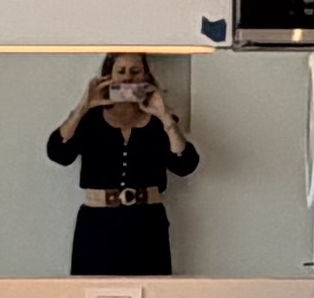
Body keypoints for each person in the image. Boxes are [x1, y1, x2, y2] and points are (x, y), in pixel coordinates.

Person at [44, 52, 199, 275]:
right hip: (97, 223)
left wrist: (164, 115)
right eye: (121, 72)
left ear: (146, 77)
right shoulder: (90, 119)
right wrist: (84, 106)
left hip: (147, 223)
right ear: (109, 76)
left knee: (150, 292)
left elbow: (185, 165)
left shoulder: (158, 122)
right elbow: (58, 153)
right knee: (94, 295)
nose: (128, 79)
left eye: (135, 72)